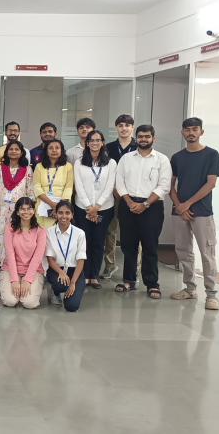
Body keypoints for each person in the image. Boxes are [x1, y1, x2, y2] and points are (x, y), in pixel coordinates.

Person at [169, 117, 219, 310]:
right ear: (182, 132)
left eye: (195, 129)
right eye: (187, 129)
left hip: (202, 212)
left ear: (201, 132)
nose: (191, 133)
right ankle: (190, 288)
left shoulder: (211, 155)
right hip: (179, 212)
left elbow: (211, 183)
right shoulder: (177, 157)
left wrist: (187, 204)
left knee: (207, 254)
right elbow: (170, 185)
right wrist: (179, 206)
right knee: (183, 252)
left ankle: (211, 294)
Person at [114, 125, 171, 299]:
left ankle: (152, 284)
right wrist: (130, 202)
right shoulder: (126, 158)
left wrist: (145, 204)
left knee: (150, 246)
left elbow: (164, 186)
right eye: (140, 136)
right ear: (136, 138)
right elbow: (119, 182)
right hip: (128, 205)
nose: (143, 139)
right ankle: (129, 281)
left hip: (152, 207)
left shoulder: (161, 160)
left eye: (147, 136)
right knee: (128, 246)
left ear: (153, 138)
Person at [73, 130, 117, 289]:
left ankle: (94, 276)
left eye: (98, 140)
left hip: (104, 208)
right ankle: (84, 275)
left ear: (102, 142)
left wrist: (97, 207)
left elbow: (109, 187)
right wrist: (89, 207)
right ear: (87, 143)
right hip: (82, 208)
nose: (95, 143)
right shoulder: (79, 162)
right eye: (92, 140)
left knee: (99, 242)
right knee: (84, 242)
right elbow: (78, 186)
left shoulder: (111, 163)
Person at [102, 114, 138, 280]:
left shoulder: (139, 147)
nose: (124, 128)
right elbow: (104, 171)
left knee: (134, 232)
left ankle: (135, 267)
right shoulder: (108, 147)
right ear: (116, 128)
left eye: (127, 125)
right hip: (113, 193)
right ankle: (110, 264)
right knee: (111, 230)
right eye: (121, 125)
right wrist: (114, 187)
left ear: (132, 127)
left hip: (134, 195)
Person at [0, 140, 35, 267]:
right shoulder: (0, 168)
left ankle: (15, 265)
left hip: (20, 210)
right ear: (7, 152)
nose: (13, 151)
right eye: (11, 149)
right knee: (0, 236)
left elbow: (30, 191)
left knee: (17, 236)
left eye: (16, 149)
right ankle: (0, 265)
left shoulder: (27, 169)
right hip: (1, 209)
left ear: (21, 153)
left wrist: (29, 211)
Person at [0, 197, 46, 309]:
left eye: (29, 208)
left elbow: (37, 257)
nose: (26, 212)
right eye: (22, 209)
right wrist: (14, 280)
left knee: (29, 303)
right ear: (17, 212)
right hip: (10, 269)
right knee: (10, 301)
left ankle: (30, 287)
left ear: (34, 211)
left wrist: (27, 280)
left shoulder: (41, 231)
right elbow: (10, 255)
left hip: (33, 271)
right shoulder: (9, 228)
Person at [45, 200, 87, 312]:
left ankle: (73, 290)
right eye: (60, 213)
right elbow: (50, 259)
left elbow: (81, 260)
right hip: (57, 270)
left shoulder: (80, 233)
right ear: (55, 214)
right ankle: (56, 291)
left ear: (72, 215)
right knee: (61, 285)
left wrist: (73, 283)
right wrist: (61, 273)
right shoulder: (49, 232)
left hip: (74, 270)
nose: (64, 216)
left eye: (67, 213)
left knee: (71, 307)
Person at [33, 139, 74, 228]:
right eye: (51, 148)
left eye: (57, 148)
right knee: (43, 232)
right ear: (46, 151)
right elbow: (36, 187)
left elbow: (68, 188)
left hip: (63, 206)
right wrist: (52, 204)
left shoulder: (68, 166)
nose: (54, 150)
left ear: (61, 151)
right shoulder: (39, 166)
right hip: (43, 204)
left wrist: (59, 207)